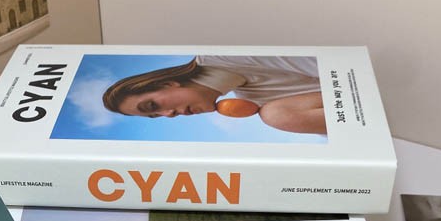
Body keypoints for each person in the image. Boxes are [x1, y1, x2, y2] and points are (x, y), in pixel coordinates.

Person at [102, 55, 327, 135]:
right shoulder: (252, 100)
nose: (168, 114)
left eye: (152, 106)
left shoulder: (225, 56)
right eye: (156, 116)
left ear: (167, 83)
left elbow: (330, 63)